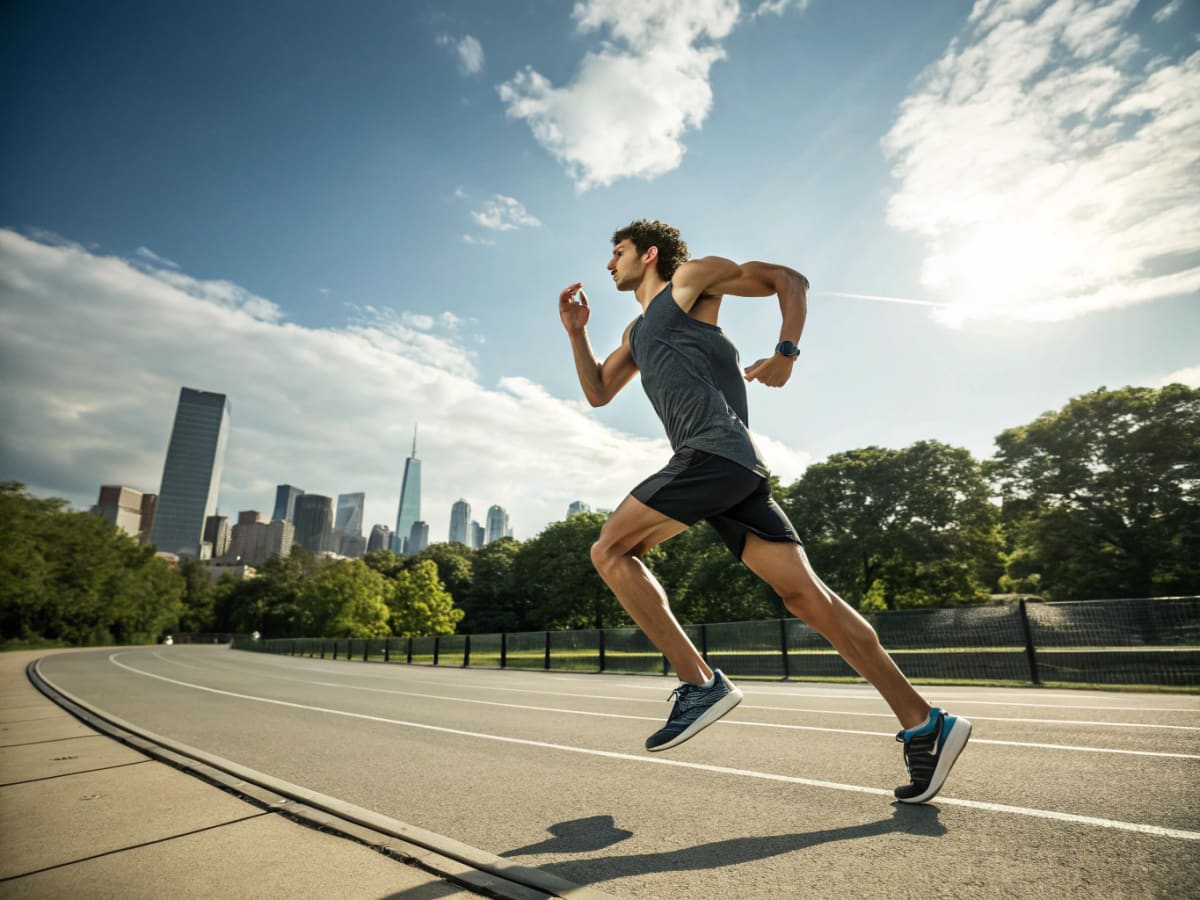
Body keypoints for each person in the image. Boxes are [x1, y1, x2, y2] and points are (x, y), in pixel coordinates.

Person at [557, 219, 971, 804]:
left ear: (648, 255)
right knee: (808, 599)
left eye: (617, 252)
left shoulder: (690, 283)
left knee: (609, 548)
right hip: (729, 470)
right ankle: (924, 722)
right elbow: (599, 391)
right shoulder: (635, 329)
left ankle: (699, 682)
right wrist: (577, 333)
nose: (609, 265)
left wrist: (785, 353)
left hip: (714, 452)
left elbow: (788, 280)